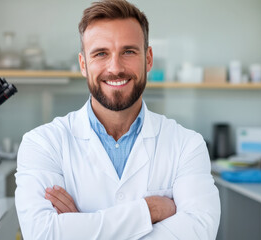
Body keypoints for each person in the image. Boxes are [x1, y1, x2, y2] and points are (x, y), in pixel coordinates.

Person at [15, 0, 220, 239]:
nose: (115, 68)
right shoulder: (43, 143)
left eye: (129, 51)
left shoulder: (187, 145)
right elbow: (43, 234)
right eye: (101, 53)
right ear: (83, 64)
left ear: (149, 58)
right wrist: (150, 210)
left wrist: (79, 226)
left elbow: (198, 232)